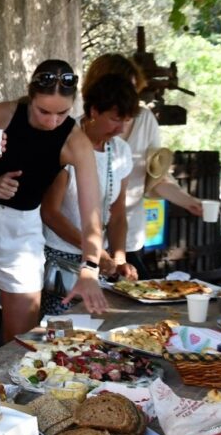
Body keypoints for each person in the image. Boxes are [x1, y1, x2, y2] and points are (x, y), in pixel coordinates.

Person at [0, 59, 106, 343]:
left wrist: (89, 269)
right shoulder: (2, 114)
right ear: (30, 97)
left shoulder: (76, 142)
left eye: (62, 113)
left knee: (21, 339)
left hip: (21, 231)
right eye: (43, 111)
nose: (52, 121)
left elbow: (91, 217)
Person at [83, 54, 203, 277]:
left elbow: (156, 178)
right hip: (83, 238)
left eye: (133, 88)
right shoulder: (79, 129)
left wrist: (190, 202)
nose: (128, 95)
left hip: (127, 235)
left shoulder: (145, 120)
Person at [41, 74, 140, 314]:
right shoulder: (67, 142)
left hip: (98, 259)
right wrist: (96, 253)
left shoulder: (121, 150)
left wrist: (118, 259)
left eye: (127, 121)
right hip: (62, 258)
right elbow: (50, 213)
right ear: (94, 110)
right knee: (64, 329)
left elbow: (117, 213)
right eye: (115, 119)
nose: (121, 129)